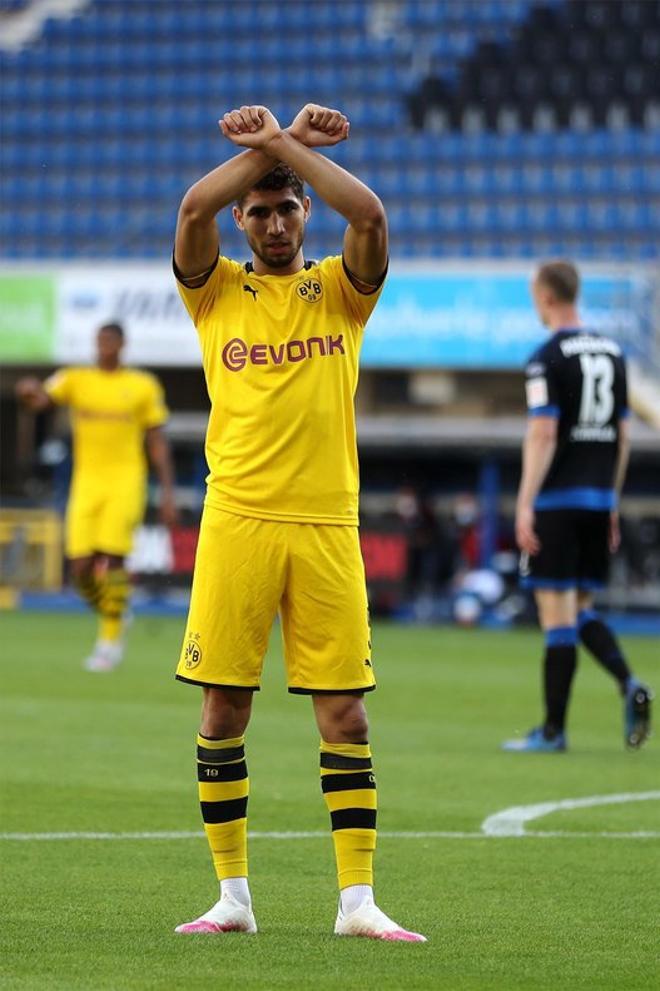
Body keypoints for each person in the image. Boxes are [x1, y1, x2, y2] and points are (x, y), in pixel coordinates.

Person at [171, 102, 425, 942]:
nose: (274, 221)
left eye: (287, 207)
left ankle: (358, 902)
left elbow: (373, 214)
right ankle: (232, 897)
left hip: (325, 524)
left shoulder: (341, 293)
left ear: (304, 214)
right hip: (237, 518)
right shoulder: (215, 294)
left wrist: (283, 147)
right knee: (222, 711)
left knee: (346, 717)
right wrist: (282, 146)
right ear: (244, 221)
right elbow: (190, 210)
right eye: (261, 210)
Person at [503, 261, 652, 753]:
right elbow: (623, 436)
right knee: (582, 609)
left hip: (557, 501)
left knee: (557, 617)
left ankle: (552, 732)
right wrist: (610, 500)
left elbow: (543, 432)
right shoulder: (614, 354)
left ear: (544, 296)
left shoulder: (545, 358)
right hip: (597, 500)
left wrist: (526, 503)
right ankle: (629, 682)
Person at [15, 322, 177, 671]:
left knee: (112, 557)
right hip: (86, 483)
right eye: (100, 341)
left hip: (126, 481)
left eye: (110, 341)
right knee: (80, 570)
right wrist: (28, 392)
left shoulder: (142, 385)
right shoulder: (76, 379)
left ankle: (109, 642)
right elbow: (42, 400)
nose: (104, 347)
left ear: (122, 345)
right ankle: (114, 610)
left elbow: (157, 442)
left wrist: (166, 493)